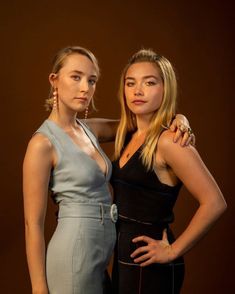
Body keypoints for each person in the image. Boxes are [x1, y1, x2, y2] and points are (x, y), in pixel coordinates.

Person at [23, 46, 193, 294]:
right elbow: (32, 224)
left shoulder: (89, 129)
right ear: (54, 80)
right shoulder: (42, 143)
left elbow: (142, 119)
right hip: (74, 252)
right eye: (76, 77)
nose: (85, 88)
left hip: (102, 254)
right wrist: (39, 289)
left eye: (92, 80)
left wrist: (180, 118)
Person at [111, 49, 227, 294]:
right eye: (130, 83)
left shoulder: (169, 142)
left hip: (151, 262)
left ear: (166, 89)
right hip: (124, 258)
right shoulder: (128, 133)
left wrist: (173, 250)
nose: (137, 90)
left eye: (149, 82)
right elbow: (75, 127)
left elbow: (215, 202)